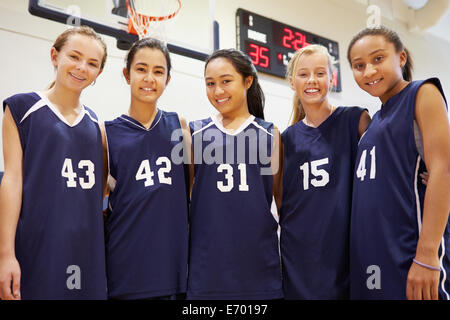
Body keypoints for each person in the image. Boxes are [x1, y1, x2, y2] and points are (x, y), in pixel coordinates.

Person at [0, 26, 108, 300]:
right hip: (37, 248)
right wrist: (6, 255)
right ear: (54, 56)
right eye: (74, 56)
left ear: (99, 73)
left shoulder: (97, 124)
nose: (82, 67)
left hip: (87, 253)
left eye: (92, 63)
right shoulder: (22, 108)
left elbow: (103, 188)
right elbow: (12, 180)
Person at [347, 25, 450, 300]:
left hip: (411, 256)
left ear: (401, 58)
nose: (368, 71)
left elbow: (444, 170)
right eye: (359, 65)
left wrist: (427, 255)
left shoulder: (422, 93)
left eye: (378, 59)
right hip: (372, 260)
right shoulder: (372, 122)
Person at [187, 49, 283, 299]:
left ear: (247, 81)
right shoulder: (194, 133)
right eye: (210, 83)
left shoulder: (270, 134)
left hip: (258, 267)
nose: (218, 91)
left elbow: (281, 203)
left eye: (226, 81)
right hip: (207, 268)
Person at [280, 44, 370, 299]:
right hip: (299, 255)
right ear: (291, 82)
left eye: (320, 73)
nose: (312, 81)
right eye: (303, 74)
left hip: (345, 251)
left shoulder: (356, 120)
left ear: (331, 78)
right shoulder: (286, 139)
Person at [102, 38, 190, 300]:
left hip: (173, 270)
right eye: (141, 69)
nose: (149, 78)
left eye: (158, 71)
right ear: (126, 74)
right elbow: (102, 202)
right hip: (126, 268)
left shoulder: (180, 125)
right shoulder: (107, 132)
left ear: (168, 79)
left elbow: (192, 191)